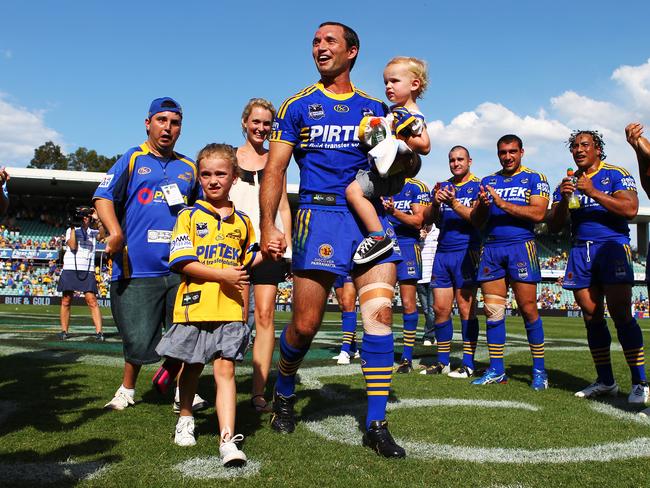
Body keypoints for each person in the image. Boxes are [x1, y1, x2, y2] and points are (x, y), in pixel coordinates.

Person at [259, 21, 406, 457]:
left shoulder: (374, 107)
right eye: (316, 42)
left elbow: (391, 174)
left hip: (366, 217)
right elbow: (275, 170)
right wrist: (270, 223)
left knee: (378, 318)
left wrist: (405, 160)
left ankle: (376, 423)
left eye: (330, 42)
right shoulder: (298, 105)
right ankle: (284, 389)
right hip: (317, 217)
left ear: (352, 51)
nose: (320, 48)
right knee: (304, 327)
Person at [155, 143, 280, 466]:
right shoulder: (188, 216)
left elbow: (248, 258)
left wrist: (268, 252)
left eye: (220, 174)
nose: (213, 180)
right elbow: (183, 262)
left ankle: (228, 439)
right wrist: (220, 275)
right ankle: (185, 417)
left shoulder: (243, 222)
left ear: (234, 178)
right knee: (193, 366)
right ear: (199, 177)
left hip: (230, 307)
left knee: (225, 369)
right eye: (206, 174)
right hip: (194, 307)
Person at [94, 97, 207, 412]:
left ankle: (181, 391)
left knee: (184, 332)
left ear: (180, 128)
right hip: (137, 267)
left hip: (179, 267)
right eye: (162, 121)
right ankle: (126, 389)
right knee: (138, 338)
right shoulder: (132, 158)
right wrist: (116, 232)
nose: (167, 128)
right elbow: (102, 197)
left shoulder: (189, 168)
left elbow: (201, 211)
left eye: (174, 123)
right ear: (148, 123)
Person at [548, 130, 647, 404]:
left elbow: (630, 209)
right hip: (580, 250)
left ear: (597, 150)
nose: (579, 150)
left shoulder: (615, 174)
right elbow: (554, 226)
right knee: (591, 318)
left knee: (621, 315)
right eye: (575, 146)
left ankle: (640, 382)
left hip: (611, 247)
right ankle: (606, 380)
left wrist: (593, 192)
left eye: (584, 145)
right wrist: (564, 203)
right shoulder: (567, 183)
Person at [470, 134, 549, 390]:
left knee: (528, 310)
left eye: (512, 151)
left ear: (522, 152)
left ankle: (539, 371)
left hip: (521, 246)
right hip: (492, 247)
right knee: (493, 312)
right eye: (503, 152)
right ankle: (496, 370)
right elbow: (476, 219)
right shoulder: (488, 181)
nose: (507, 156)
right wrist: (483, 205)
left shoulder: (535, 178)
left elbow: (538, 213)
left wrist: (502, 203)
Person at [230, 98, 292, 414]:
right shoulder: (229, 158)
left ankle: (257, 394)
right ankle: (223, 385)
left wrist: (288, 247)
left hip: (269, 248)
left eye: (267, 123)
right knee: (234, 319)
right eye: (256, 122)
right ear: (245, 122)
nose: (261, 128)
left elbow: (282, 206)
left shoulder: (276, 160)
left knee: (265, 317)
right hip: (234, 248)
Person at [346, 56, 431, 265]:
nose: (388, 86)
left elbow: (425, 145)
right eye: (386, 82)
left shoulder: (410, 114)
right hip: (385, 170)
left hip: (389, 172)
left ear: (414, 84)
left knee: (353, 192)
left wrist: (399, 135)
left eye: (394, 81)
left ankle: (377, 235)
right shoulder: (394, 111)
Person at [420, 146, 480, 378]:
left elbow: (477, 219)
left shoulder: (479, 185)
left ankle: (468, 362)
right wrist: (435, 203)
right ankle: (442, 361)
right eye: (452, 160)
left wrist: (454, 202)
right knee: (440, 309)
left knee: (466, 309)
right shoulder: (442, 186)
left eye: (460, 159)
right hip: (442, 252)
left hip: (467, 251)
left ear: (469, 161)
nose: (455, 163)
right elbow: (426, 220)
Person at [386, 178, 431, 373]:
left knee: (408, 303)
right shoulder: (382, 183)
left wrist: (394, 212)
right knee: (381, 302)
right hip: (383, 244)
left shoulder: (416, 187)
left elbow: (418, 222)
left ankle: (406, 357)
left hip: (407, 246)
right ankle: (382, 352)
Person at [57, 207, 105, 341]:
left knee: (92, 300)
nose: (84, 218)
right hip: (70, 267)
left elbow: (102, 236)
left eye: (86, 216)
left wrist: (98, 219)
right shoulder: (70, 230)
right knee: (66, 300)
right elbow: (72, 246)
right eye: (82, 216)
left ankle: (99, 332)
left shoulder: (93, 232)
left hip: (88, 269)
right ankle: (64, 331)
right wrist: (73, 226)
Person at [331, 274, 360, 365]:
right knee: (342, 305)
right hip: (337, 267)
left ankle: (345, 351)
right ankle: (353, 349)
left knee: (348, 304)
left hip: (351, 267)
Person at [417, 224, 438, 346]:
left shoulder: (439, 232)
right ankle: (435, 335)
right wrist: (419, 239)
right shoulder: (417, 233)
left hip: (434, 275)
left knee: (431, 309)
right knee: (426, 310)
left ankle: (428, 336)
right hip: (420, 277)